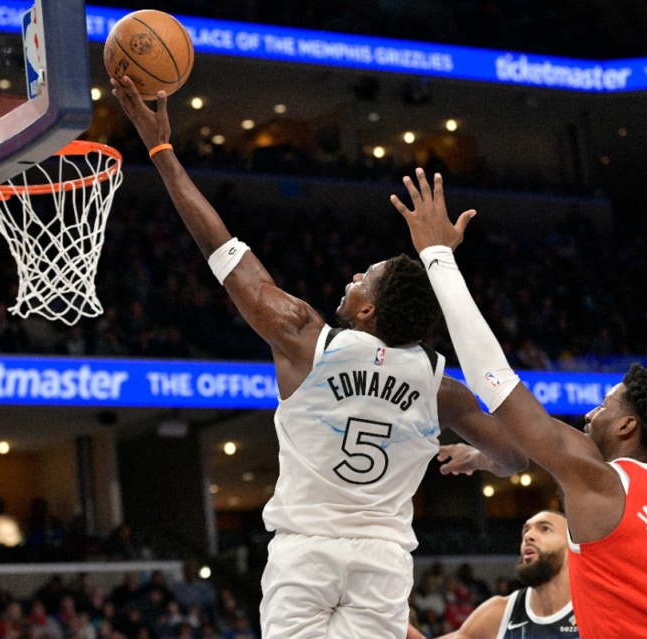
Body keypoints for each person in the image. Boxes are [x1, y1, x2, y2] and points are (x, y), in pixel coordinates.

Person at [110, 77, 527, 639]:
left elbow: (225, 252)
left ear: (368, 312)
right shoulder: (439, 385)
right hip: (383, 564)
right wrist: (479, 459)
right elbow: (516, 460)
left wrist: (161, 152)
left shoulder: (306, 339)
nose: (355, 277)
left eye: (366, 279)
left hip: (306, 555)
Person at [391, 168, 647, 639]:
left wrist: (436, 256)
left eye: (606, 405)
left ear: (627, 427)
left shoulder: (601, 480)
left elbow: (493, 379)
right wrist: (491, 457)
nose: (592, 413)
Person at [407, 509, 578, 639]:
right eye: (526, 530)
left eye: (545, 529)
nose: (529, 536)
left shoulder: (594, 606)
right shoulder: (501, 612)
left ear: (573, 546)